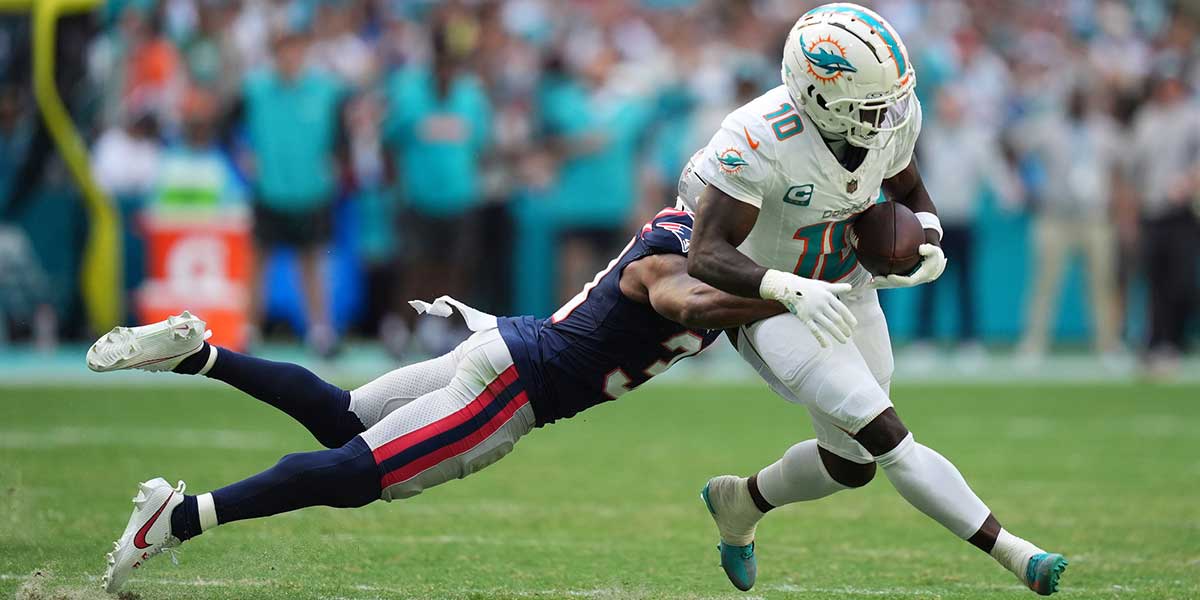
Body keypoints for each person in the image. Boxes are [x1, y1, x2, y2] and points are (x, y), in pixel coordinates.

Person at [87, 208, 785, 594]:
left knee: (345, 417)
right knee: (361, 474)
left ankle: (198, 354)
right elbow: (675, 294)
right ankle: (176, 519)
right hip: (515, 388)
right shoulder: (678, 248)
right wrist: (782, 291)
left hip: (504, 349)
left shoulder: (715, 248)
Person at [677, 4, 1066, 595]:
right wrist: (783, 286)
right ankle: (1017, 553)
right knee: (886, 435)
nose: (886, 116)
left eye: (890, 100)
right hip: (768, 303)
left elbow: (908, 185)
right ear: (818, 95)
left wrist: (929, 234)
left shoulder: (891, 116)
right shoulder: (757, 137)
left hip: (849, 288)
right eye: (868, 105)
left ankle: (740, 503)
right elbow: (705, 254)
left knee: (849, 465)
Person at [238, 27, 346, 356]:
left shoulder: (324, 91)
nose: (290, 57)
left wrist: (335, 166)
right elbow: (227, 128)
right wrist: (243, 156)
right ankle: (249, 330)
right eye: (285, 50)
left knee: (311, 261)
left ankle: (320, 332)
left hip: (310, 191)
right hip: (270, 189)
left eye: (296, 49)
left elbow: (341, 139)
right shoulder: (256, 90)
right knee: (259, 261)